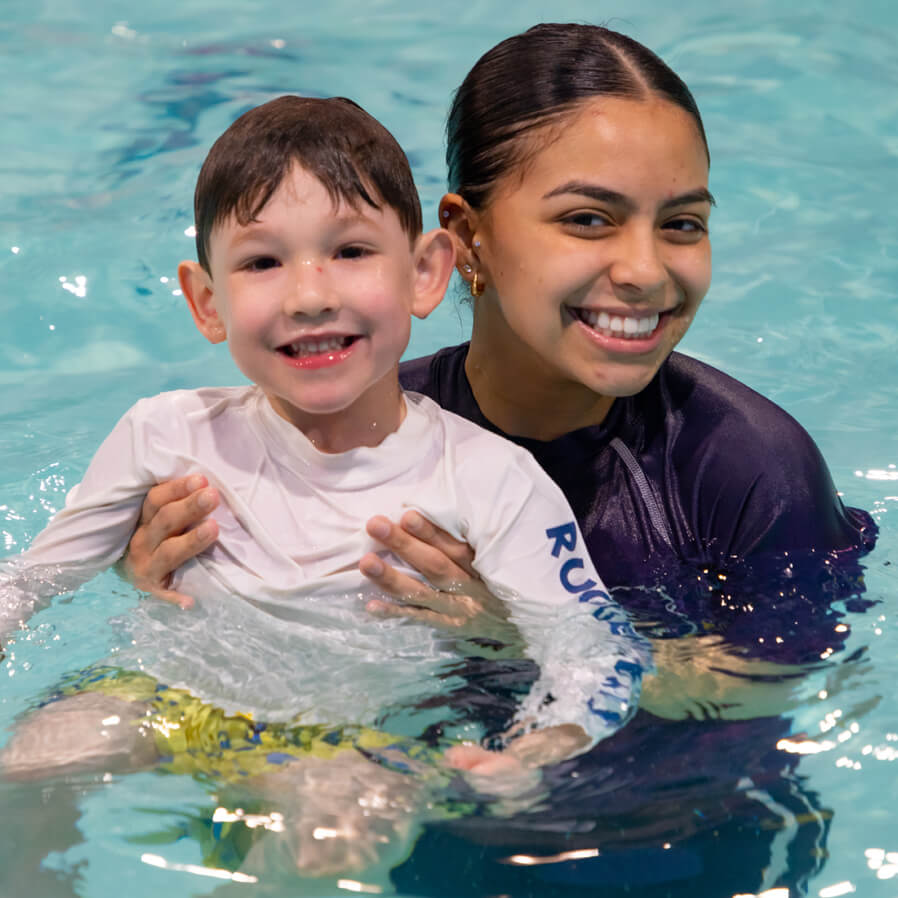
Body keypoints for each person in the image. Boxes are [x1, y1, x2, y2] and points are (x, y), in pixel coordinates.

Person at [122, 23, 876, 897]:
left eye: (682, 224)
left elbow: (772, 687)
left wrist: (518, 627)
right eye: (587, 220)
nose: (644, 270)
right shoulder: (341, 428)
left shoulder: (745, 466)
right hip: (423, 826)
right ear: (464, 240)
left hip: (683, 841)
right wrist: (169, 585)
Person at [0, 94, 649, 878]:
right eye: (262, 262)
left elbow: (594, 647)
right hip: (163, 699)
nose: (309, 294)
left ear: (425, 272)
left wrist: (547, 743)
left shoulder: (487, 479)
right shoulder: (166, 433)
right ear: (208, 301)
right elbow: (30, 580)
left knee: (328, 842)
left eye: (349, 251)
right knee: (26, 772)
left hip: (355, 743)